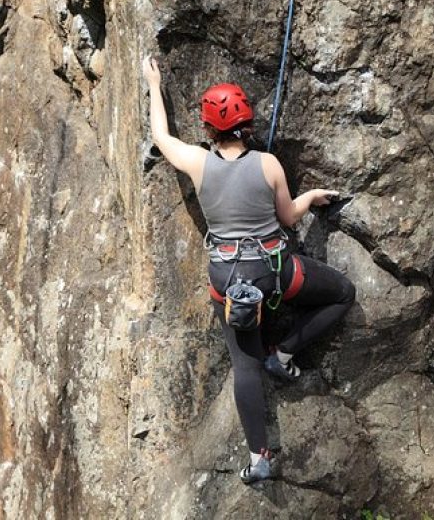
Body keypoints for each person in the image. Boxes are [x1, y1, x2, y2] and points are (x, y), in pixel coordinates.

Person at [141, 56, 356, 484]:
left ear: (207, 129)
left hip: (228, 282)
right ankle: (285, 353)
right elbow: (289, 217)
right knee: (343, 293)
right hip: (276, 272)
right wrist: (311, 194)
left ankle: (260, 458)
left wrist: (154, 83)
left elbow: (160, 135)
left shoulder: (198, 163)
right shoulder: (268, 164)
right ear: (248, 124)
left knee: (244, 364)